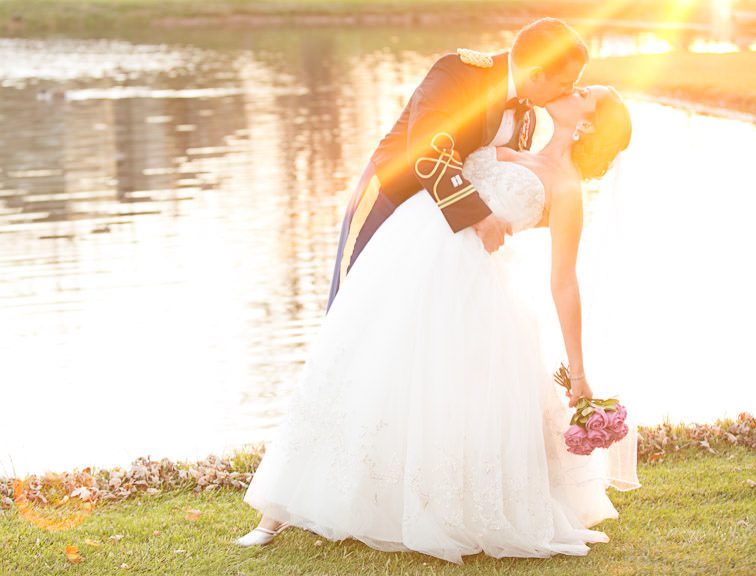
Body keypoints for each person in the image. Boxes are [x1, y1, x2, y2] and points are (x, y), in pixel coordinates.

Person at [234, 82, 641, 563]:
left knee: (442, 398)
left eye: (584, 95)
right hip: (410, 254)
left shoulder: (567, 187)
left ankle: (431, 508)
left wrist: (577, 372)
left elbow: (564, 282)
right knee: (357, 367)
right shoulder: (510, 141)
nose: (571, 89)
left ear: (589, 123)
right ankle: (280, 509)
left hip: (471, 290)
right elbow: (444, 151)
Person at [326, 17, 589, 313]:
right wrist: (481, 217)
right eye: (565, 84)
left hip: (440, 231)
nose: (567, 93)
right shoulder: (457, 73)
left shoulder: (527, 116)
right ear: (537, 74)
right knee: (353, 301)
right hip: (391, 198)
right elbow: (428, 151)